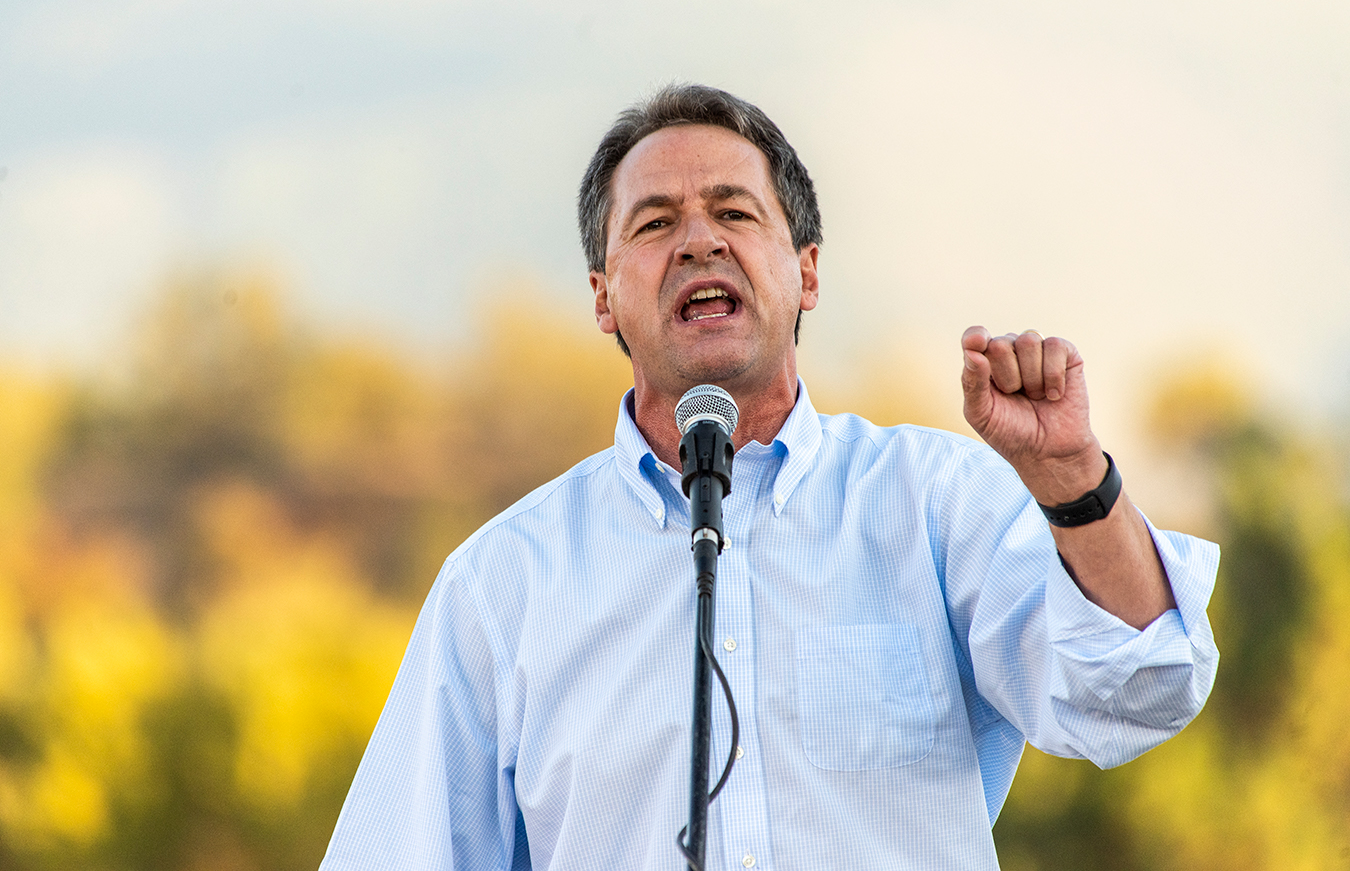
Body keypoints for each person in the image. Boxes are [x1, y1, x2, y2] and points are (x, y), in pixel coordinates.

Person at [320, 84, 1218, 870]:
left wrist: (1073, 480)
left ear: (807, 272)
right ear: (603, 296)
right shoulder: (504, 583)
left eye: (735, 212)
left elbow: (1140, 689)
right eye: (655, 222)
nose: (698, 241)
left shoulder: (933, 502)